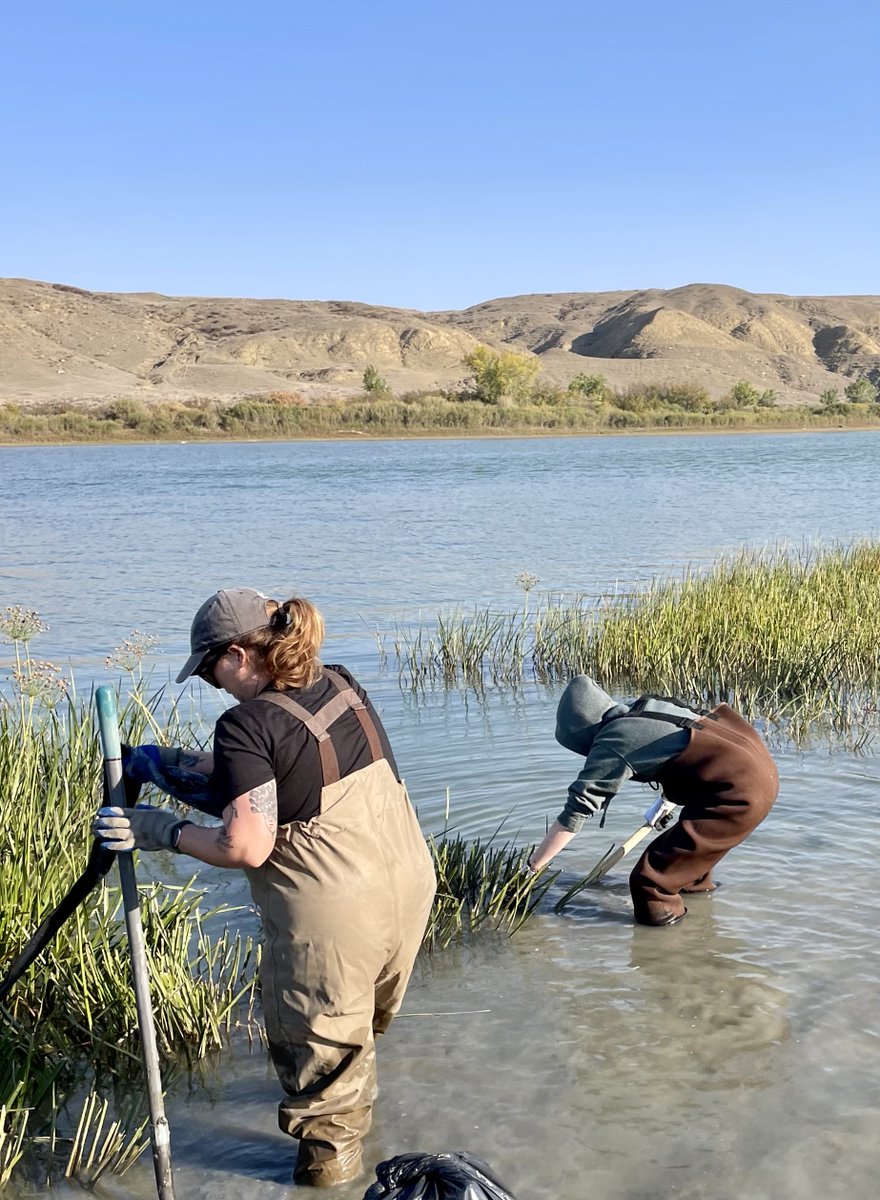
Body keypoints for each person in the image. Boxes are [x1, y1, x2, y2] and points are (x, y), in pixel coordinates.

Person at [95, 588, 437, 1188]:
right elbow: (279, 776)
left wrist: (163, 831)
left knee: (323, 1092)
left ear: (237, 654)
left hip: (334, 923)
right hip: (407, 890)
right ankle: (356, 1120)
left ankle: (330, 1181)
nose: (212, 684)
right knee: (354, 1040)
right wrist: (161, 764)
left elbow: (245, 845)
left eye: (208, 671)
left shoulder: (245, 722)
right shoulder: (340, 684)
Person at [528, 675, 779, 926]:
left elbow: (576, 812)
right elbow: (684, 748)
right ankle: (701, 915)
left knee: (650, 882)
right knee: (685, 867)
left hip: (740, 792)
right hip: (757, 768)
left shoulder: (612, 741)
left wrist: (532, 869)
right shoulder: (645, 709)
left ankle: (665, 950)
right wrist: (665, 802)